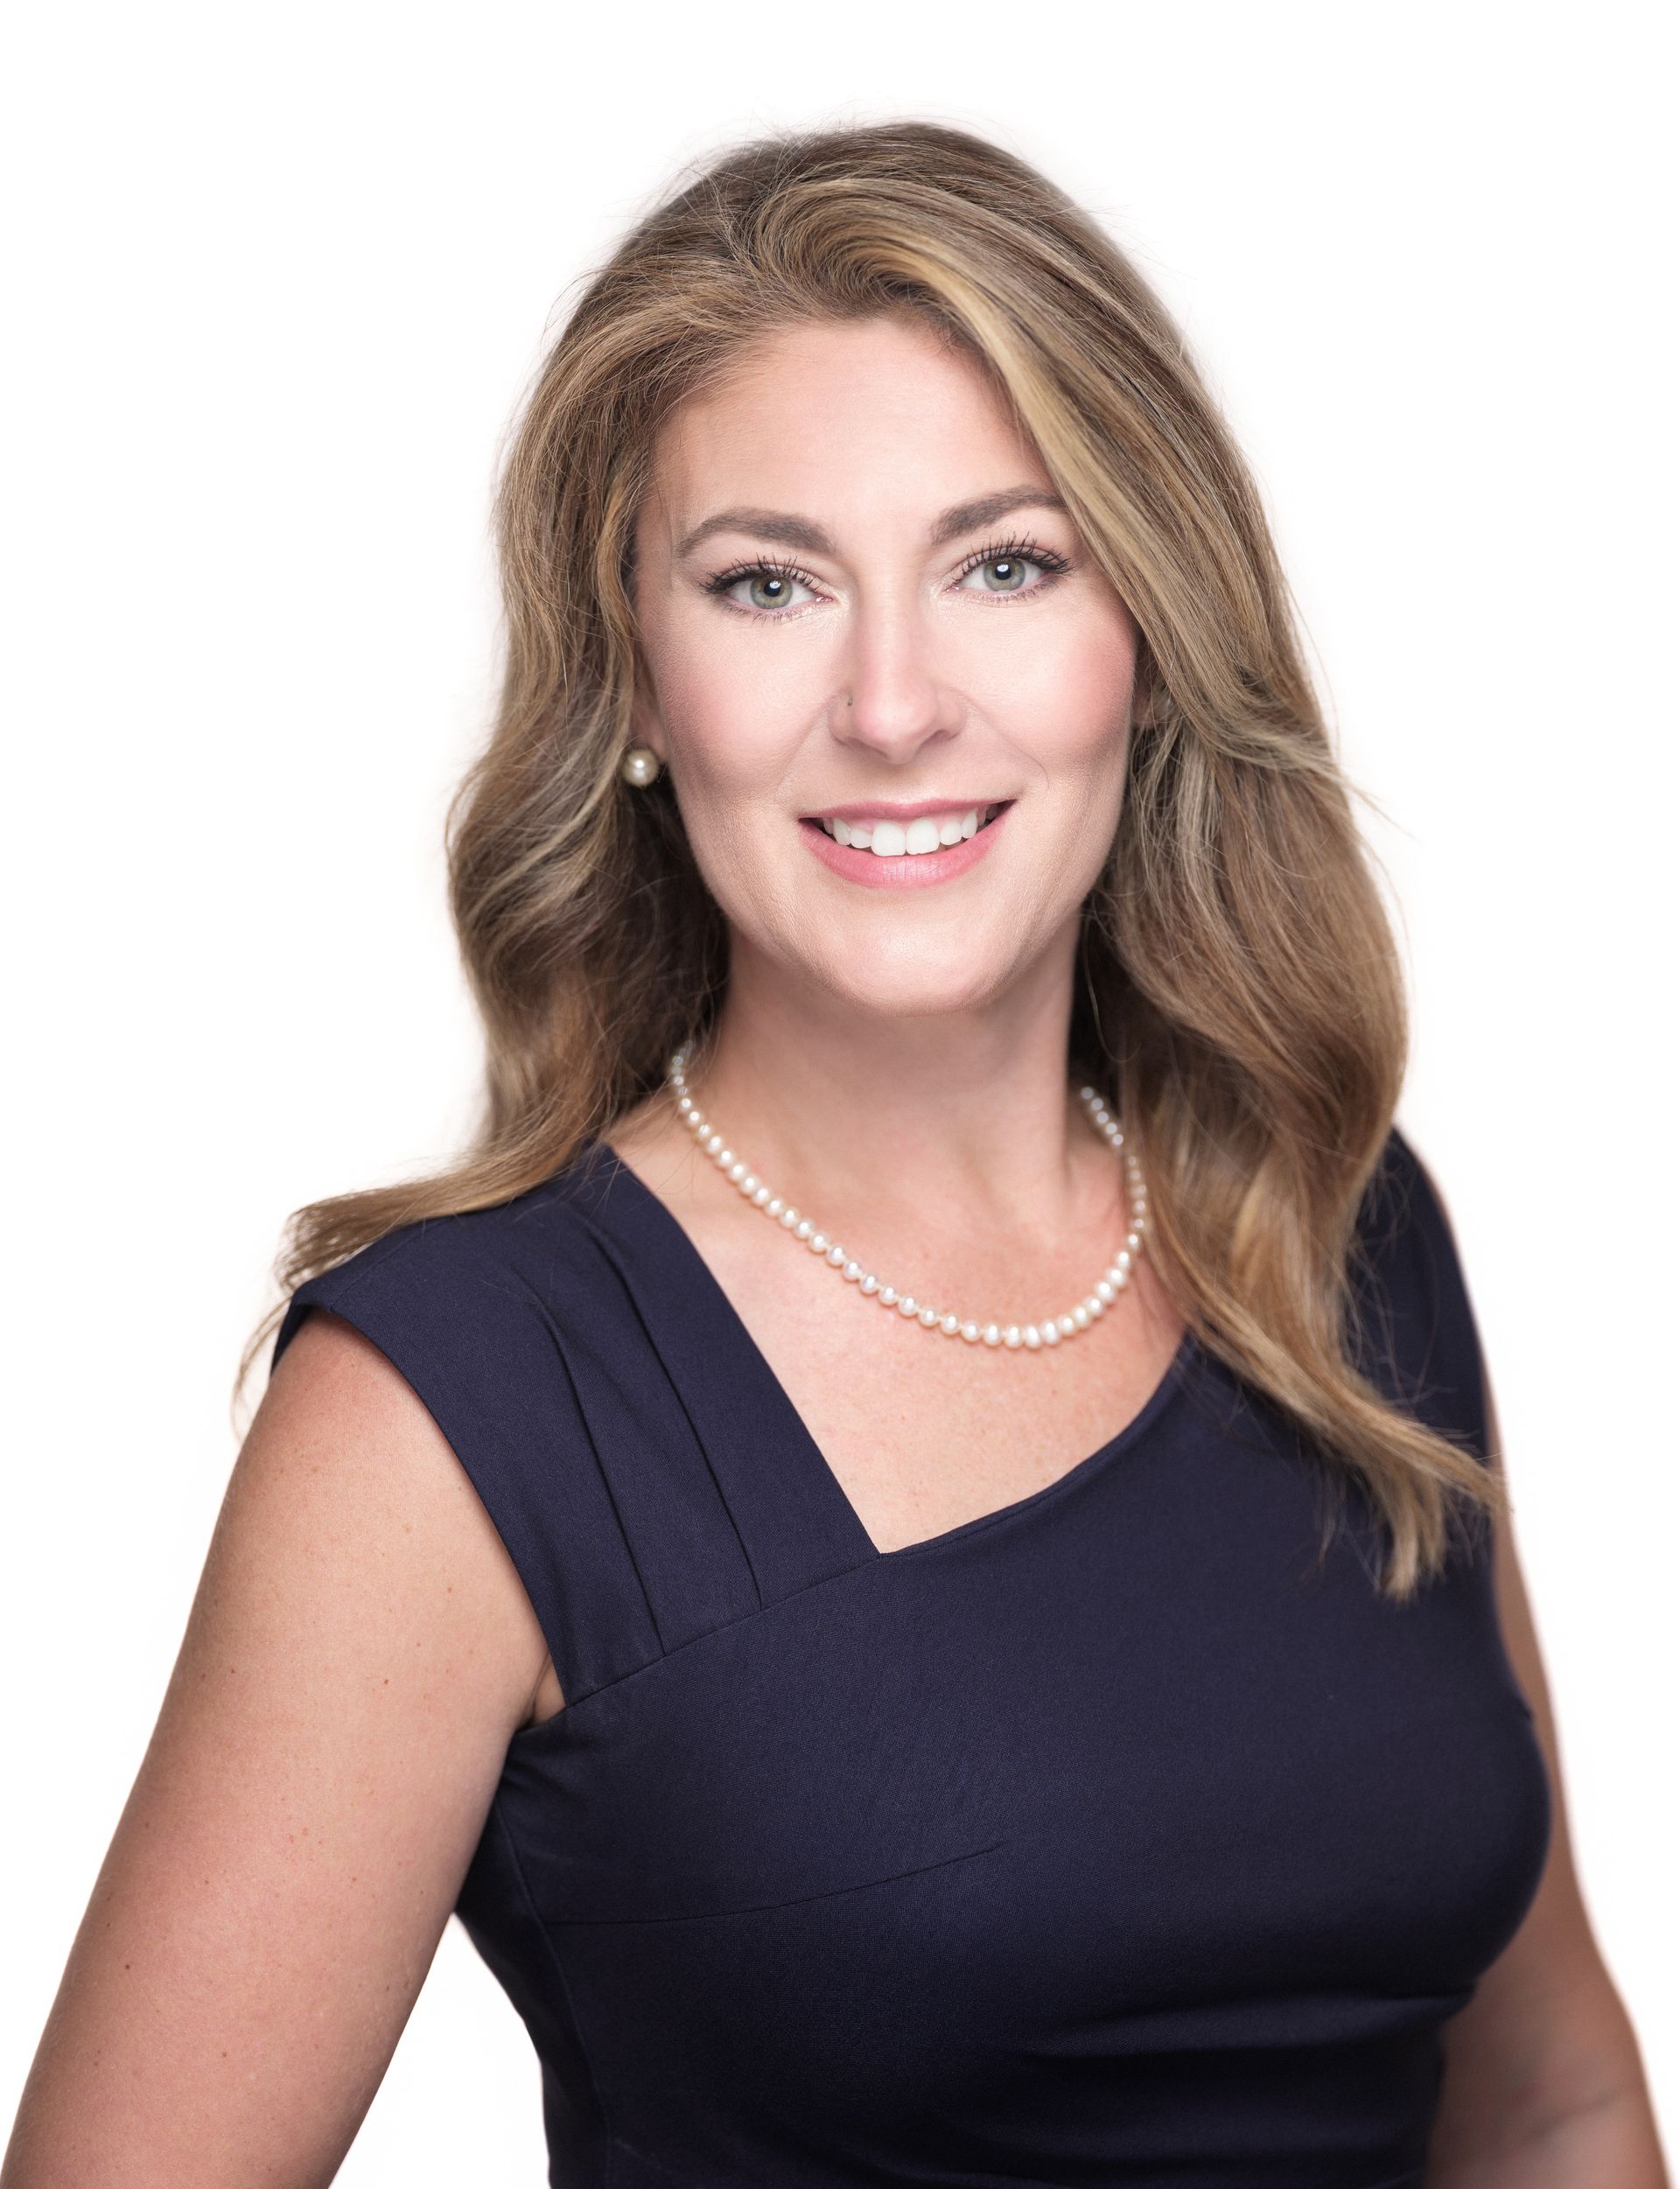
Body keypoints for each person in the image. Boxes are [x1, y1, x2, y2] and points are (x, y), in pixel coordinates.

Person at [4, 120, 1666, 2189]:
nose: (893, 706)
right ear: (633, 680)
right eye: (769, 583)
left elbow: (1552, 2102)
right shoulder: (453, 1408)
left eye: (1005, 562)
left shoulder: (1327, 1216)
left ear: (1140, 642)